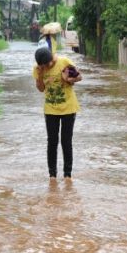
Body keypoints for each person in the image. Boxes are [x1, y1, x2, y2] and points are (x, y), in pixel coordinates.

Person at [33, 46, 82, 180]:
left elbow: (79, 77)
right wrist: (40, 76)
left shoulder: (64, 61)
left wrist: (68, 79)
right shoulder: (38, 69)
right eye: (45, 65)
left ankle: (67, 174)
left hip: (69, 108)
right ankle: (52, 175)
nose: (49, 66)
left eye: (49, 63)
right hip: (50, 110)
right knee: (52, 141)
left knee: (66, 141)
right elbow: (41, 89)